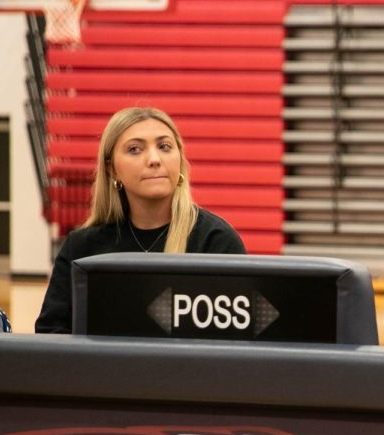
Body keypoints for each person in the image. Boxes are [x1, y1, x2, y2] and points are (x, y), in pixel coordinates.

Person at [35, 107, 246, 333]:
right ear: (112, 169)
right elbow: (51, 336)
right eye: (135, 149)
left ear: (180, 161)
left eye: (164, 147)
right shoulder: (81, 248)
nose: (154, 159)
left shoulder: (216, 242)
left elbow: (238, 342)